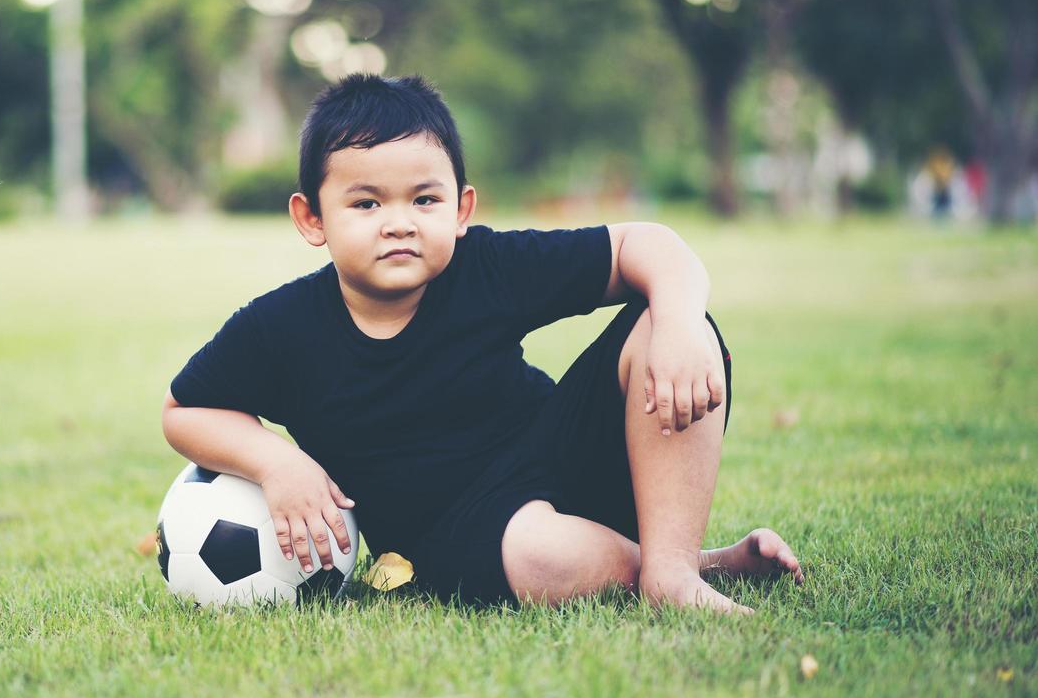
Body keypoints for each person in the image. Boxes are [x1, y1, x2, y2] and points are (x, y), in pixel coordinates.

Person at [162, 74, 804, 614]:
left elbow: (650, 245)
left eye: (425, 199)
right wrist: (280, 464)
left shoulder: (487, 267)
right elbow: (184, 409)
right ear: (312, 219)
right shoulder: (283, 326)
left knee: (666, 325)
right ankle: (707, 566)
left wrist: (682, 317)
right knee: (546, 556)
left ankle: (671, 574)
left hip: (561, 461)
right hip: (459, 530)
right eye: (365, 203)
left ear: (461, 210)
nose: (399, 223)